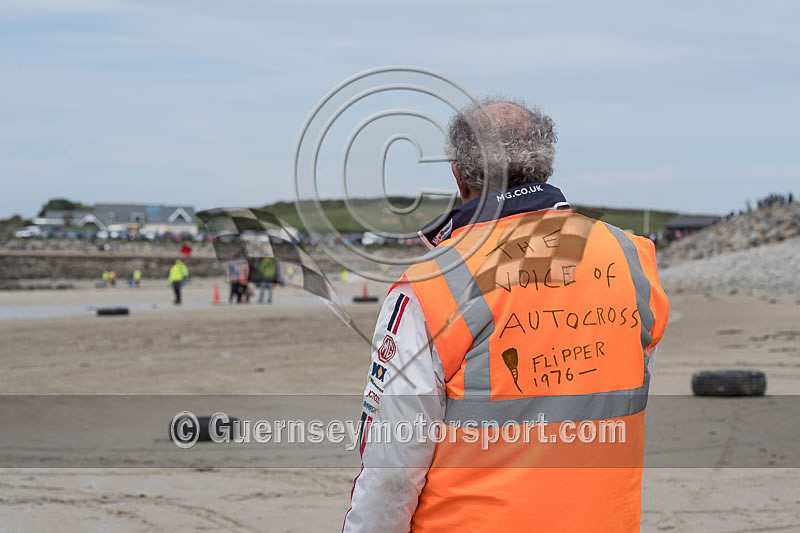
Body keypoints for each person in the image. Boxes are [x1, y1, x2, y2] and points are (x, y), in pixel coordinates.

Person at [343, 98, 670, 533]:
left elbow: (394, 465)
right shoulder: (630, 257)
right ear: (545, 166)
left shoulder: (434, 282)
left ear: (458, 176)